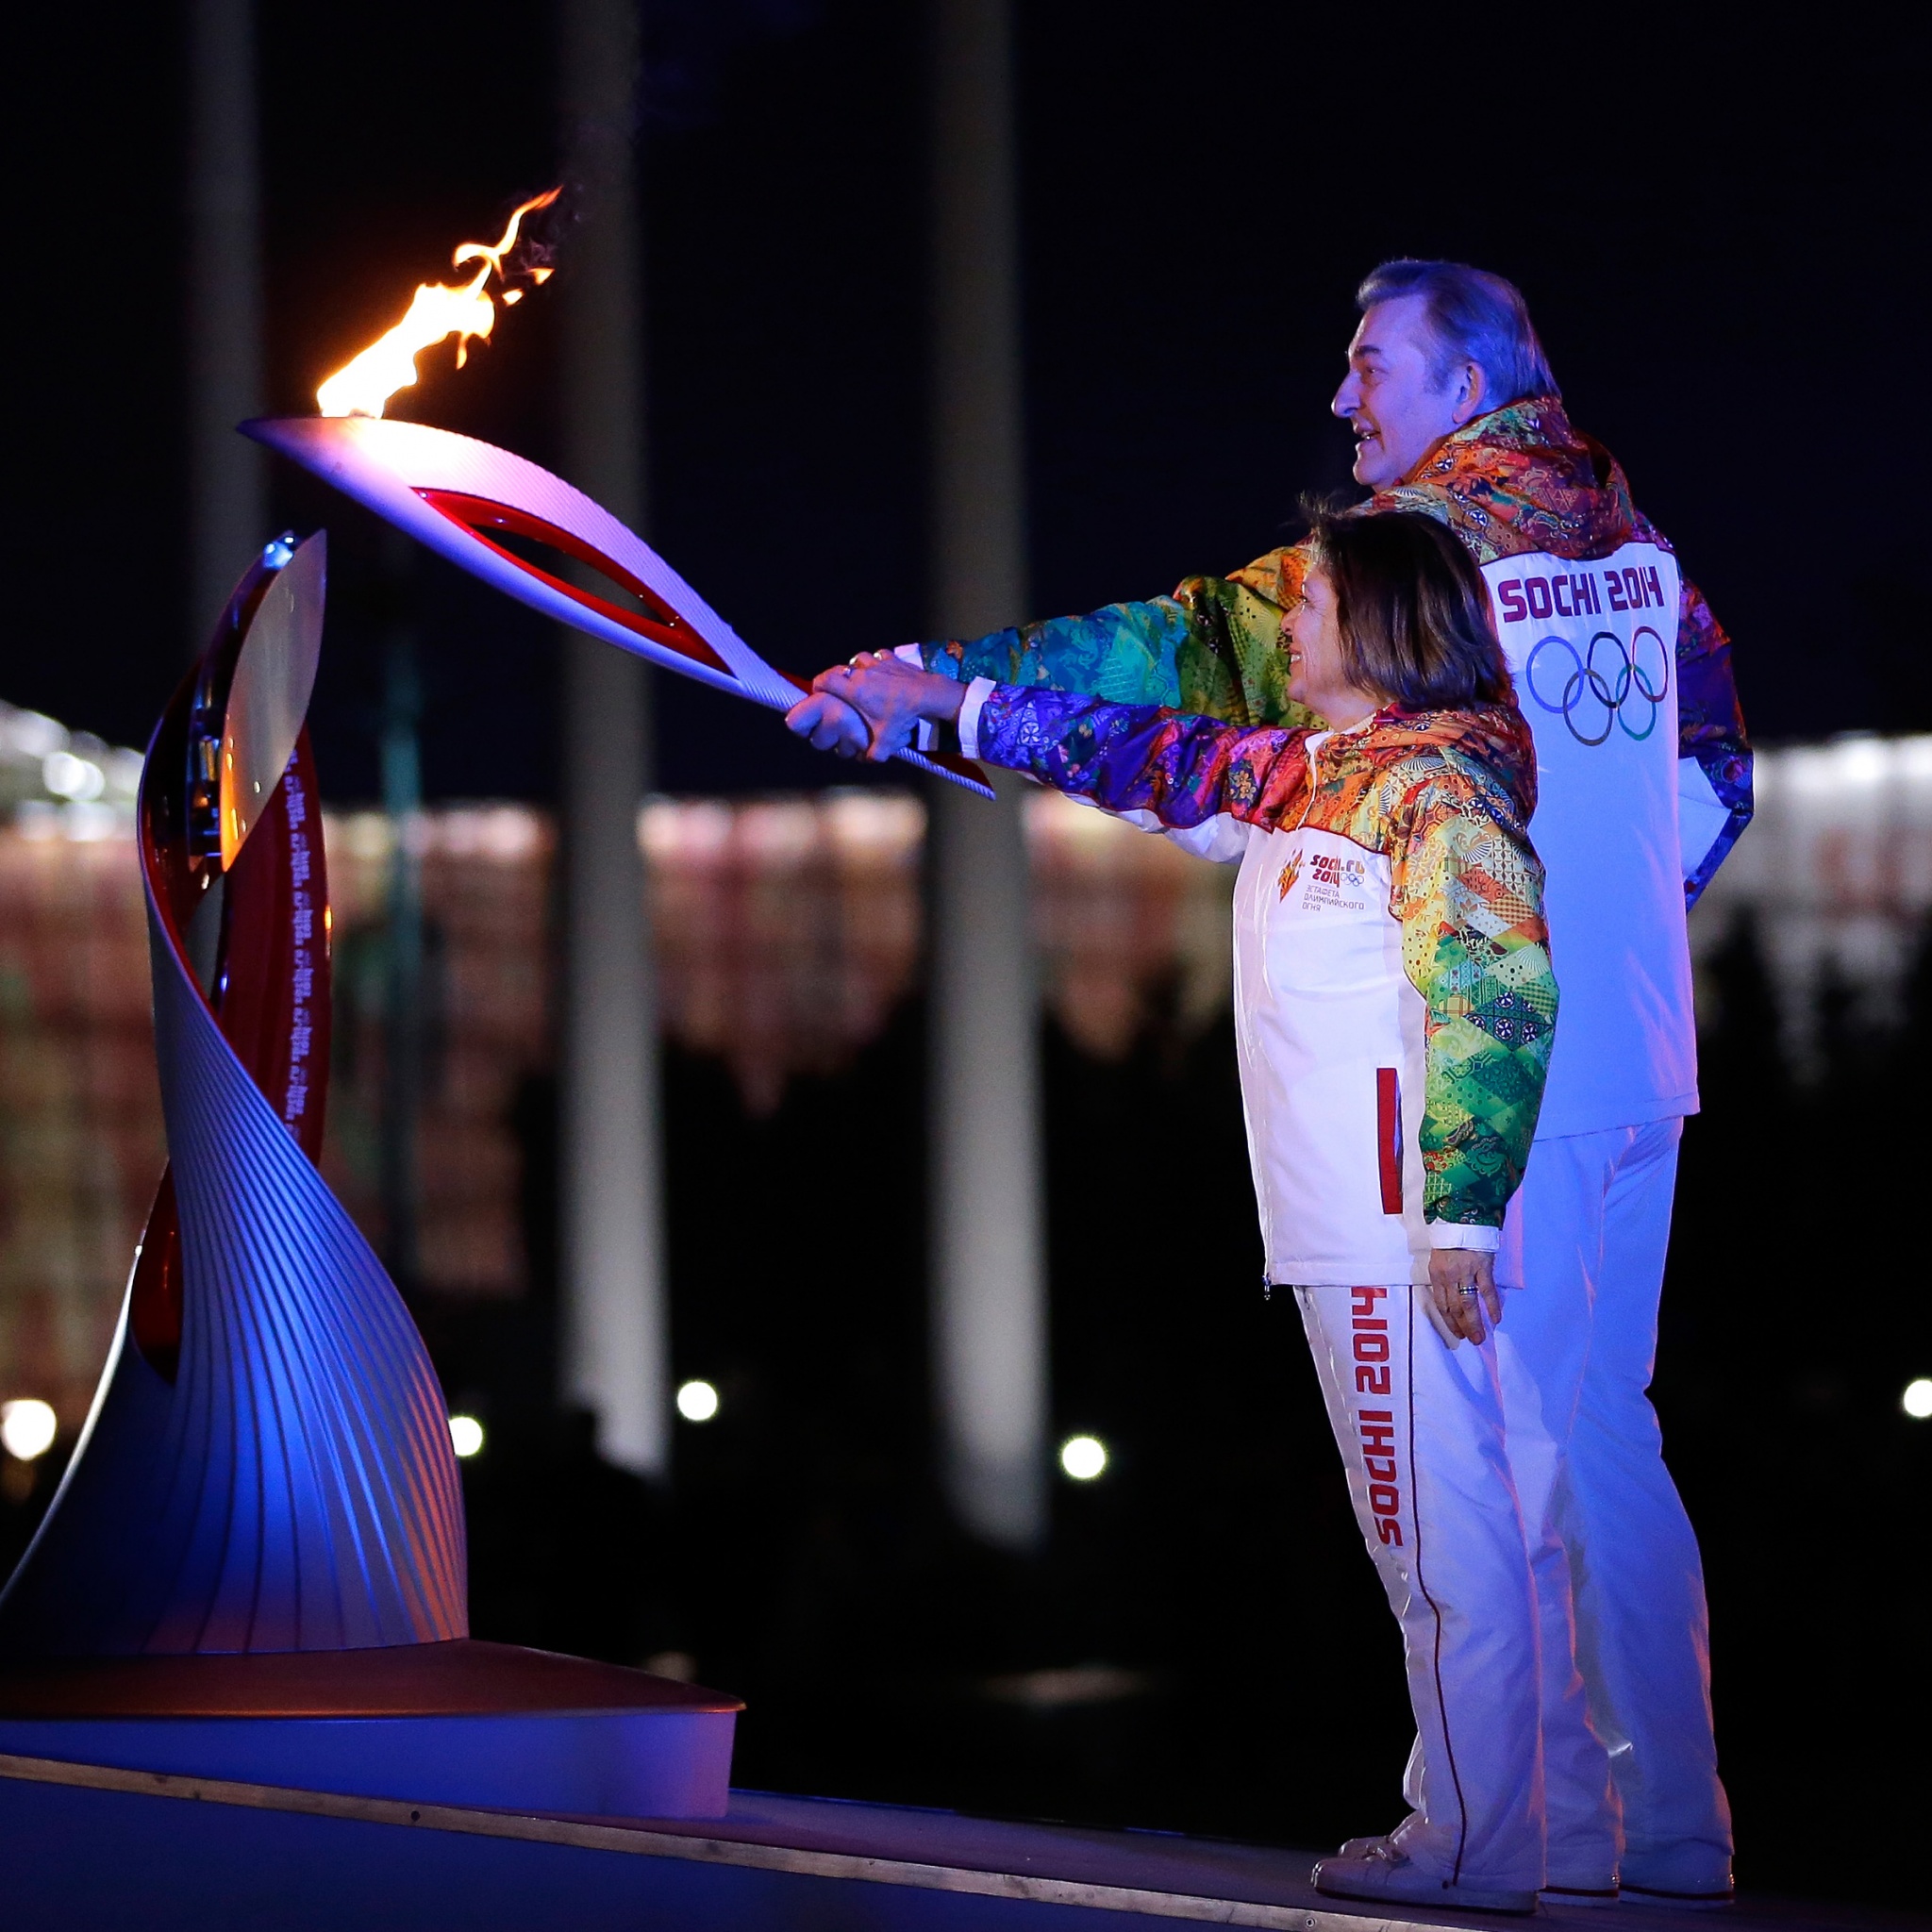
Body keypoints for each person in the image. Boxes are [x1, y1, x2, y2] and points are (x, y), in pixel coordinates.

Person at [796, 260, 1748, 1911]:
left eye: (1373, 363)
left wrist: (933, 683)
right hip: (1626, 1056)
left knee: (1478, 1471)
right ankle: (1656, 1822)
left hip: (1471, 1072)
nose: (1344, 396)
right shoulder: (1640, 547)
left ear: (1469, 381)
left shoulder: (1416, 558)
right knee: (1601, 1437)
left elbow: (1174, 666)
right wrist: (1611, 928)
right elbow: (1718, 783)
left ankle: (1493, 1834)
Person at [794, 509, 1561, 1913]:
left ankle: (1479, 1847)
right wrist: (922, 707)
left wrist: (1459, 1219)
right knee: (1418, 1543)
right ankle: (1469, 1825)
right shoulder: (1311, 775)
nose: (1290, 626)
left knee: (1441, 1536)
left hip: (1398, 1236)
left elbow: (1499, 997)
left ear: (1385, 626)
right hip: (1346, 1228)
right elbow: (1136, 754)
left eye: (1315, 604)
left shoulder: (1434, 791)